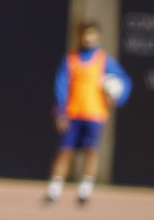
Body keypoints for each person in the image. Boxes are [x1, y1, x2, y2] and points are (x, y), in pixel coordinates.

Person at [46, 20, 132, 206]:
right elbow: (61, 85)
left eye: (92, 35)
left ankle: (85, 190)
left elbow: (124, 81)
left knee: (91, 151)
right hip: (72, 113)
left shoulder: (104, 60)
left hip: (95, 114)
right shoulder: (70, 59)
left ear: (98, 37)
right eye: (86, 34)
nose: (89, 38)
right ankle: (54, 189)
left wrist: (118, 97)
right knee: (64, 151)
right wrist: (61, 112)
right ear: (80, 36)